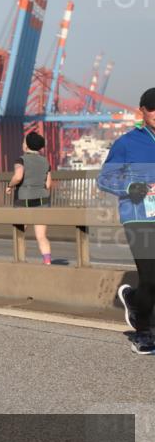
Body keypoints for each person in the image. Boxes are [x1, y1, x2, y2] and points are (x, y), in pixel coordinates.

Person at [99, 86, 155, 355]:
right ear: (142, 111)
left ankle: (133, 299)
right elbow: (105, 178)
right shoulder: (127, 143)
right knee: (152, 277)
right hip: (139, 218)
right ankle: (143, 332)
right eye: (152, 108)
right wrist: (130, 186)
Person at [6, 132, 53, 265]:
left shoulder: (21, 160)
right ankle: (47, 262)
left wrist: (9, 185)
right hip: (43, 201)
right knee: (42, 236)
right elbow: (48, 184)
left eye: (23, 141)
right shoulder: (45, 162)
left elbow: (18, 176)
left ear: (26, 146)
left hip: (24, 201)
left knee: (20, 235)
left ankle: (20, 262)